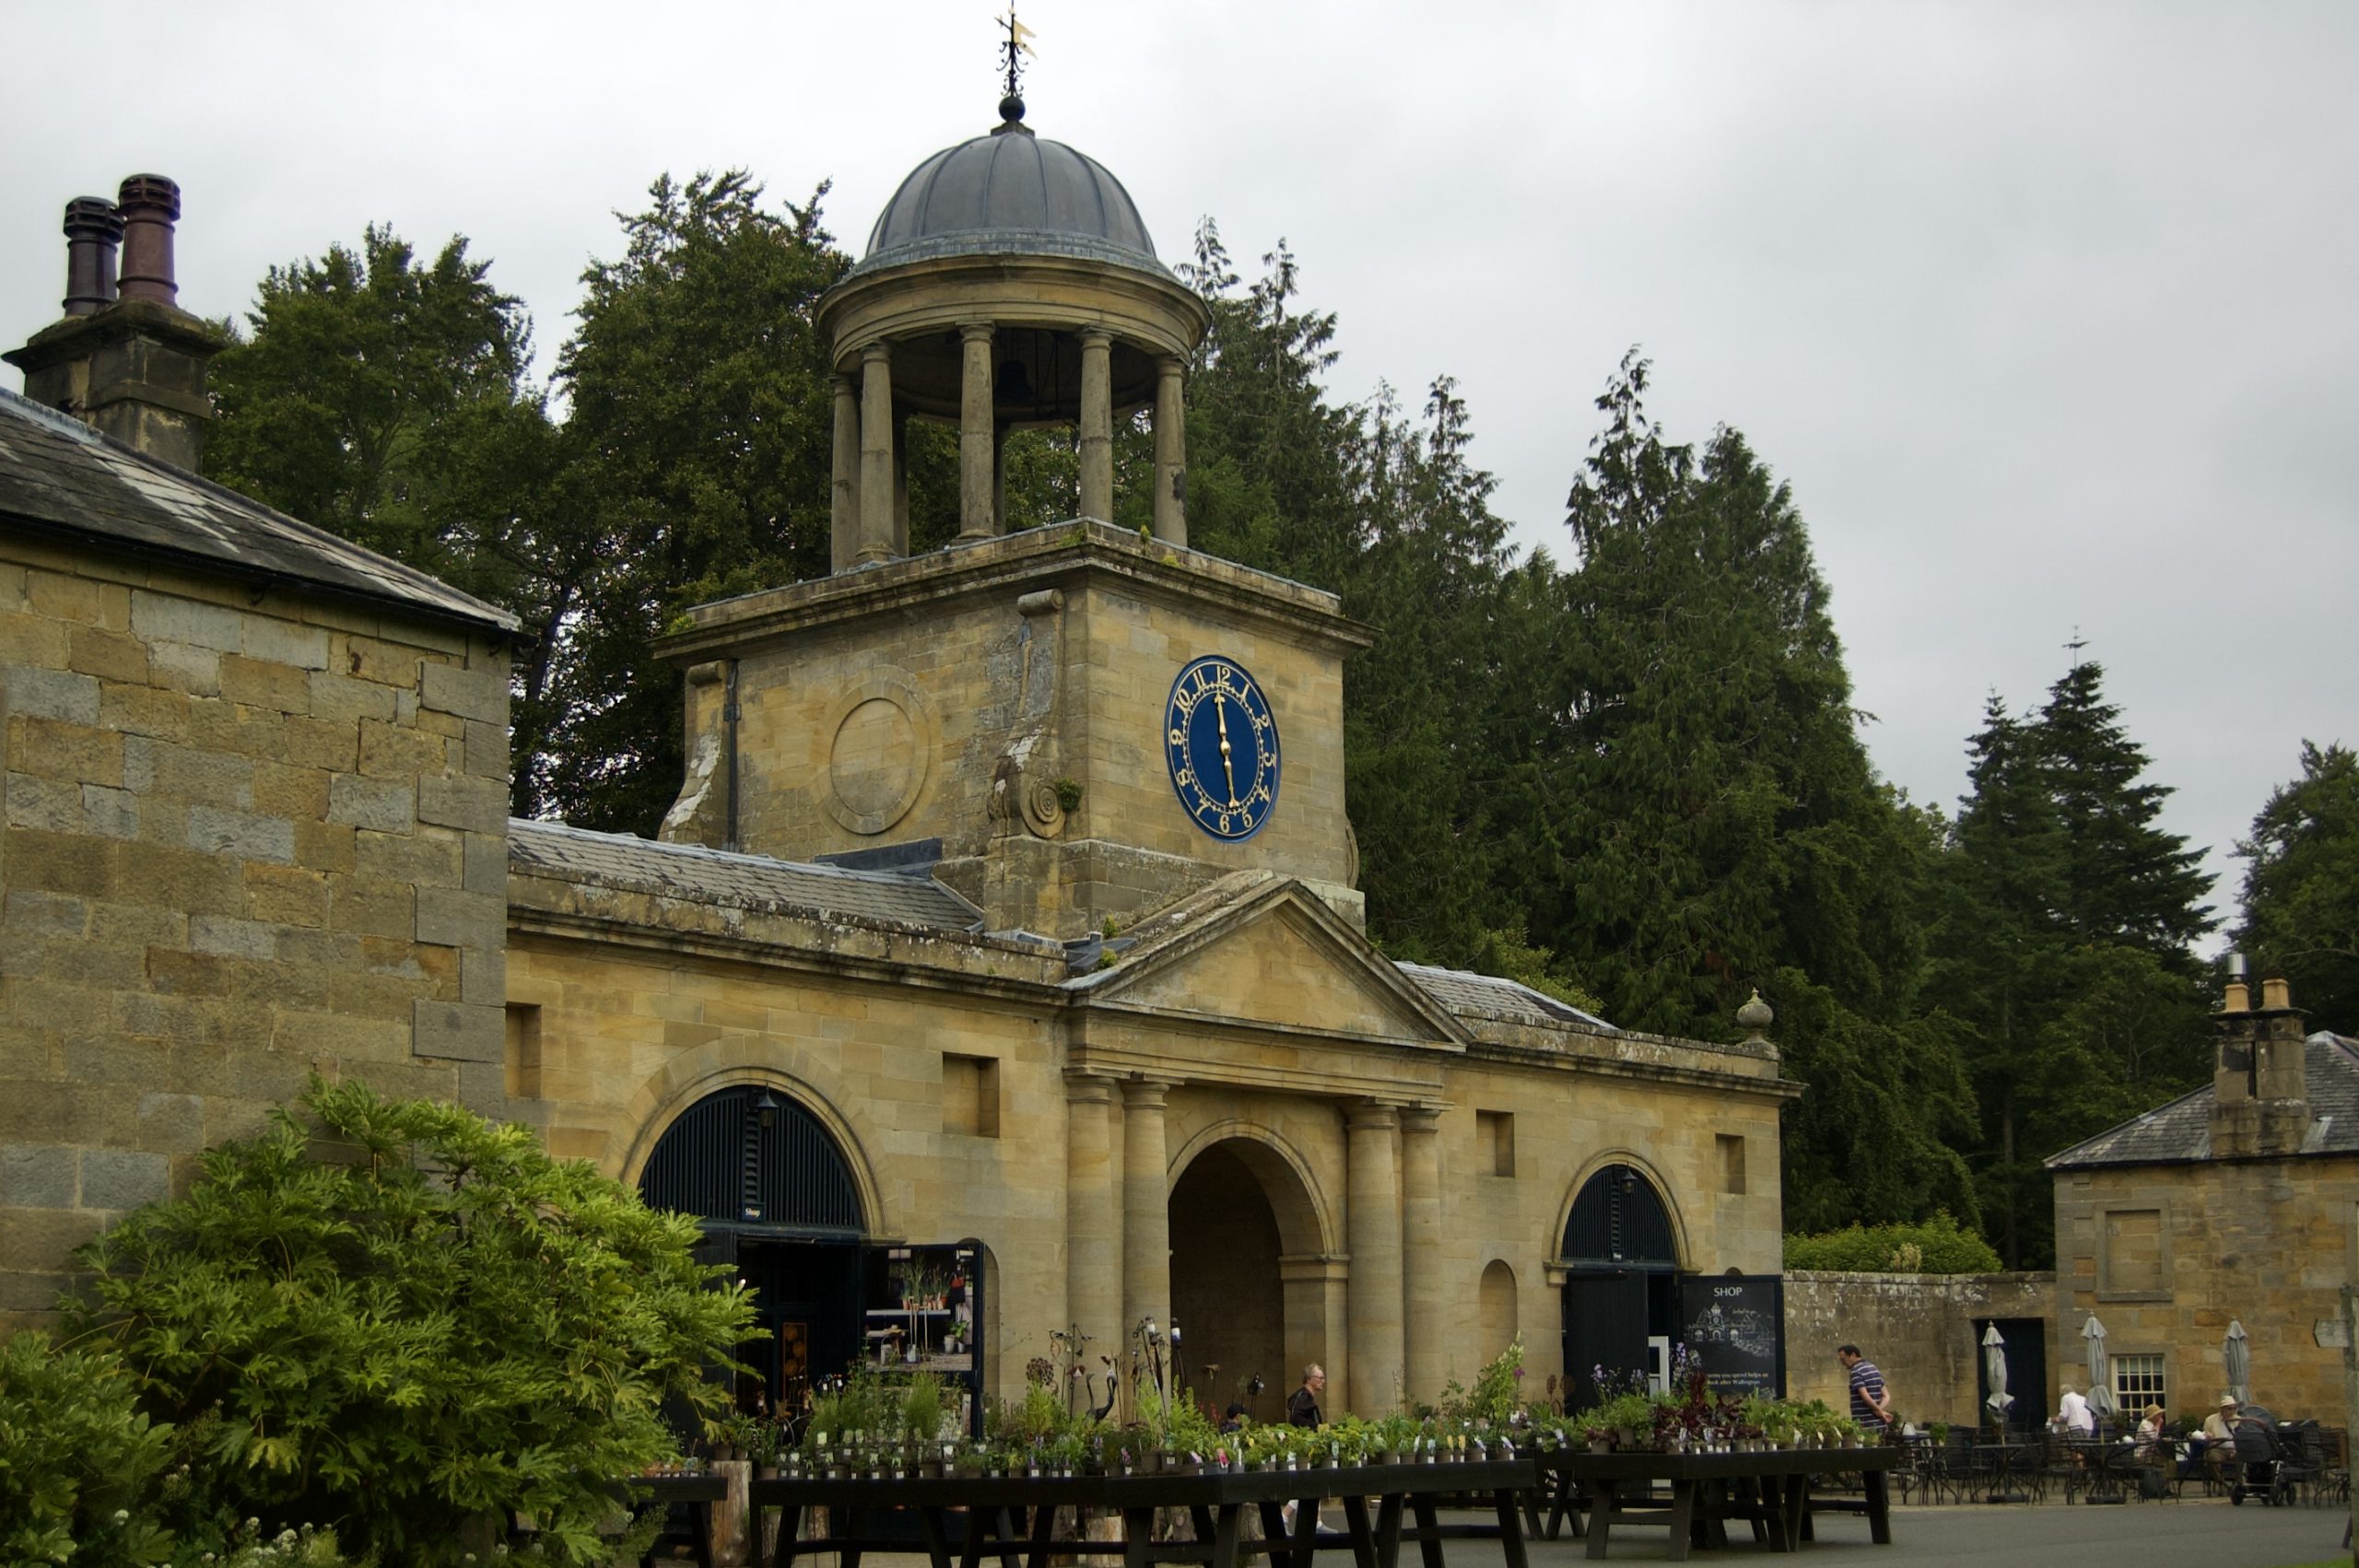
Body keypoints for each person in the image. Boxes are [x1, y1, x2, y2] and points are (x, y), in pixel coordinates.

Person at [1837, 1344, 1892, 1432]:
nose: (1843, 1363)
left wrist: (1878, 1411)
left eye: (1843, 1359)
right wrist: (1880, 1410)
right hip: (1880, 1424)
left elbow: (1866, 1397)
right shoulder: (1873, 1368)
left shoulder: (1856, 1371)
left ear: (1853, 1355)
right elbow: (1886, 1395)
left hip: (1865, 1425)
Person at [1286, 1363, 1325, 1428]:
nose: (1323, 1381)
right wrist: (1317, 1427)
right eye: (1320, 1378)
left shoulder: (1306, 1396)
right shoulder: (1302, 1397)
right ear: (1309, 1379)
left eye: (1323, 1378)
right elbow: (1296, 1419)